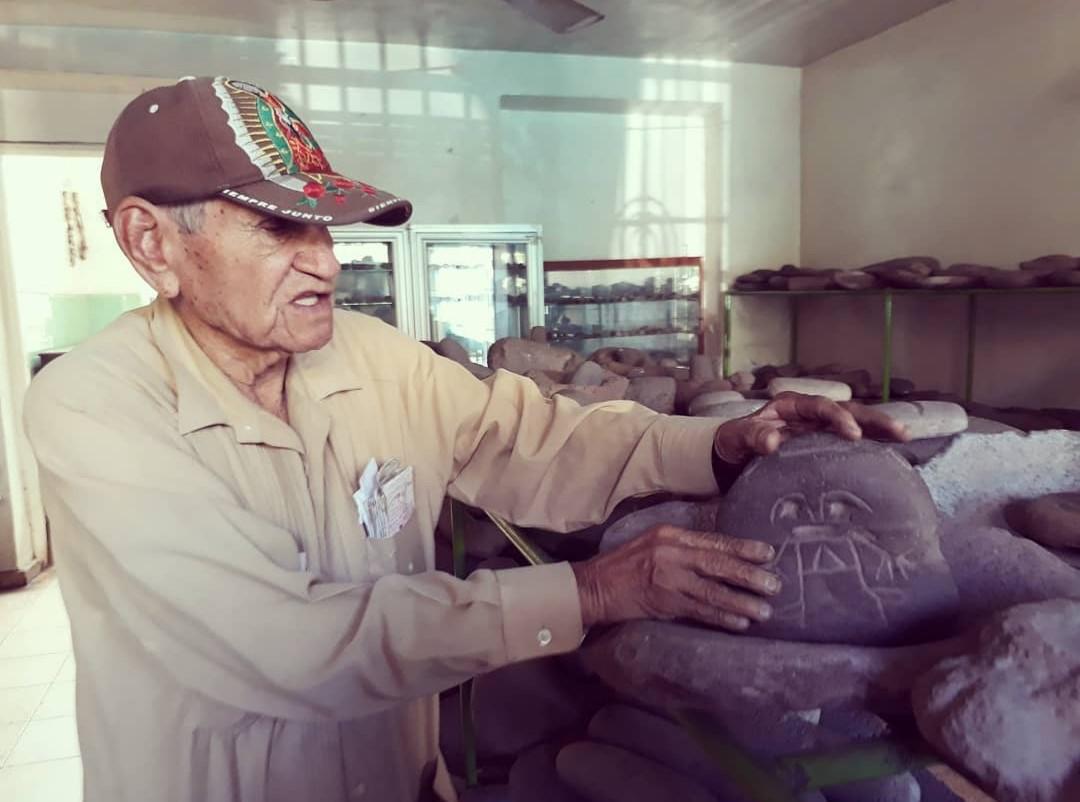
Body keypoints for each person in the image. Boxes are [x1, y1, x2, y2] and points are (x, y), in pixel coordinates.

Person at [23, 76, 906, 802]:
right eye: (278, 226)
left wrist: (717, 446)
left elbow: (531, 438)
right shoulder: (93, 407)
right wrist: (592, 591)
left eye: (324, 225)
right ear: (152, 242)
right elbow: (285, 642)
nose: (329, 260)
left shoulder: (368, 355)